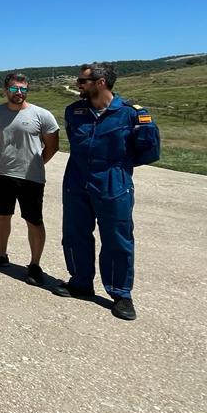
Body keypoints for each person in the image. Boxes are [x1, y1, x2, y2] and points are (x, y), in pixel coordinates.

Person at [53, 63, 160, 321]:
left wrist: (118, 168)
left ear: (100, 83)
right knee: (75, 233)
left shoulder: (131, 115)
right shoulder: (74, 111)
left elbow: (149, 151)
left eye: (83, 81)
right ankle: (80, 282)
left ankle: (121, 293)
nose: (78, 85)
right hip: (77, 179)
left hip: (113, 181)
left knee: (117, 238)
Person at [0, 73, 60, 286]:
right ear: (5, 90)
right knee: (2, 215)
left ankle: (34, 264)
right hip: (0, 173)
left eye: (23, 89)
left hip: (30, 177)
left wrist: (35, 164)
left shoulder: (42, 115)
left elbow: (52, 146)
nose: (19, 93)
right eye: (15, 89)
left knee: (33, 220)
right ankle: (1, 254)